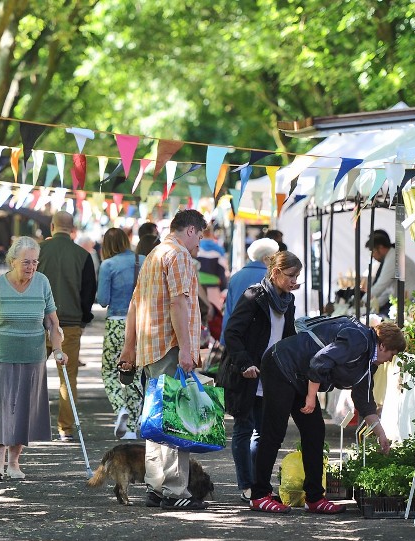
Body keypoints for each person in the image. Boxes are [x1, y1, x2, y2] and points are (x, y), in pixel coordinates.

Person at [249, 318, 406, 514]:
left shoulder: (368, 362)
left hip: (301, 378)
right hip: (281, 364)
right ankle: (259, 495)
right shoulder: (358, 340)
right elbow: (320, 361)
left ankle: (314, 498)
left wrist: (381, 433)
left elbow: (364, 400)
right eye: (392, 353)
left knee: (315, 432)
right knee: (274, 431)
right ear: (383, 345)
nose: (391, 359)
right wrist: (311, 397)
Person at [120, 209, 210, 511]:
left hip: (151, 349)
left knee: (158, 421)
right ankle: (175, 491)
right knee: (175, 422)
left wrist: (129, 349)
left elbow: (134, 306)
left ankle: (156, 488)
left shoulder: (154, 255)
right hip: (170, 348)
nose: (200, 244)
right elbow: (179, 302)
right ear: (191, 231)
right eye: (200, 236)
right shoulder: (180, 256)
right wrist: (187, 348)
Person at [0, 236, 65, 480]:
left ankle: (14, 463)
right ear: (12, 261)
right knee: (0, 409)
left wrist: (59, 348)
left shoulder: (42, 283)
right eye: (26, 262)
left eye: (34, 262)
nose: (31, 267)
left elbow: (52, 323)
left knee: (22, 410)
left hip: (32, 357)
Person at [223, 250, 301, 503]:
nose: (294, 281)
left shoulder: (288, 303)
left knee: (264, 432)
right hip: (245, 374)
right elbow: (232, 333)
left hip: (271, 376)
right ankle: (247, 485)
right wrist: (244, 362)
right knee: (244, 428)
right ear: (276, 272)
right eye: (291, 275)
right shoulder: (254, 296)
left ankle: (259, 486)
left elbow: (288, 339)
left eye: (297, 276)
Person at [38, 211, 96, 442]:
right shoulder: (83, 255)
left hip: (38, 323)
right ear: (72, 229)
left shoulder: (38, 251)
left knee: (31, 374)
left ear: (52, 226)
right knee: (68, 378)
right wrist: (82, 318)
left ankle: (30, 423)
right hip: (69, 324)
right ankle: (66, 428)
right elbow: (89, 292)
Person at [96, 228, 145, 440]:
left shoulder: (108, 265)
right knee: (134, 374)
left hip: (116, 323)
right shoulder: (143, 260)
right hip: (141, 324)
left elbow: (103, 299)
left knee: (109, 370)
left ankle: (120, 406)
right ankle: (133, 427)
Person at [220, 238, 279, 345]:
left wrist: (224, 340)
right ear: (266, 258)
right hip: (260, 338)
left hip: (235, 335)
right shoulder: (270, 277)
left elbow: (228, 311)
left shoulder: (236, 277)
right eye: (274, 258)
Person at [360, 230, 415, 316]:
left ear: (381, 248)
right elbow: (388, 291)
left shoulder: (393, 259)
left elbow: (381, 285)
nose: (372, 256)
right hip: (411, 305)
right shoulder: (393, 256)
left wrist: (362, 302)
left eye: (373, 251)